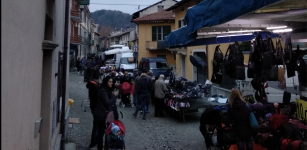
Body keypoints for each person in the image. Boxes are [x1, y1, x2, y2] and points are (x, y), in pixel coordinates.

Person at [90, 76, 118, 150]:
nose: (111, 83)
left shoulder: (107, 90)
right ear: (106, 82)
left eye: (112, 81)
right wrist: (114, 96)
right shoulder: (103, 91)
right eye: (110, 82)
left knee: (107, 131)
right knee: (100, 133)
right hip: (100, 115)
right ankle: (100, 147)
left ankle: (106, 146)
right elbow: (108, 102)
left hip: (105, 114)